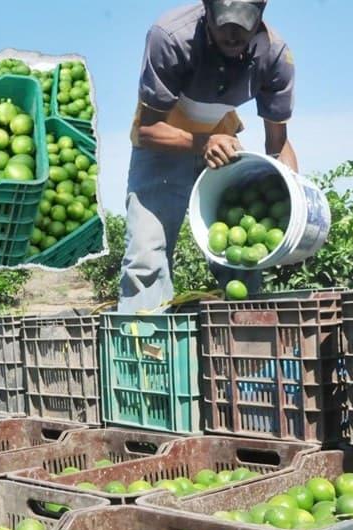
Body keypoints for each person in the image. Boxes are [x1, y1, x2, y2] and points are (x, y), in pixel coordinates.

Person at [118, 0, 298, 313]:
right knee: (147, 255)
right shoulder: (171, 37)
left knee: (239, 258)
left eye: (242, 27)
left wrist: (295, 199)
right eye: (223, 24)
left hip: (221, 141)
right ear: (206, 11)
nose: (232, 35)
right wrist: (203, 143)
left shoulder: (275, 54)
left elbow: (278, 143)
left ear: (260, 18)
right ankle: (147, 350)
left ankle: (240, 345)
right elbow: (148, 130)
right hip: (164, 141)